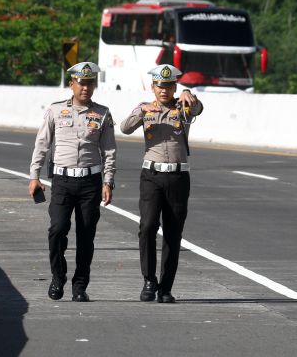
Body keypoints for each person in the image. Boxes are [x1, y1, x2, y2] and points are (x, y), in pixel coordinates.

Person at [28, 62, 117, 302]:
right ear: (72, 84)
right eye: (81, 82)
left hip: (90, 182)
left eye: (90, 83)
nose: (85, 87)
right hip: (62, 181)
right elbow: (42, 145)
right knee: (57, 229)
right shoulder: (56, 111)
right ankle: (58, 278)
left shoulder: (102, 113)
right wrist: (34, 176)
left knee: (86, 236)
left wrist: (108, 181)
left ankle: (80, 286)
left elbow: (109, 150)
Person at [120, 64, 203, 303]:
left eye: (168, 86)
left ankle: (165, 288)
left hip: (178, 176)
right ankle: (149, 280)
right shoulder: (145, 109)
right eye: (159, 86)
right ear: (152, 87)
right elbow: (125, 128)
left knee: (173, 233)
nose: (163, 90)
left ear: (174, 87)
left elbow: (198, 109)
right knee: (147, 226)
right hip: (152, 176)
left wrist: (190, 94)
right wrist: (142, 110)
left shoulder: (183, 106)